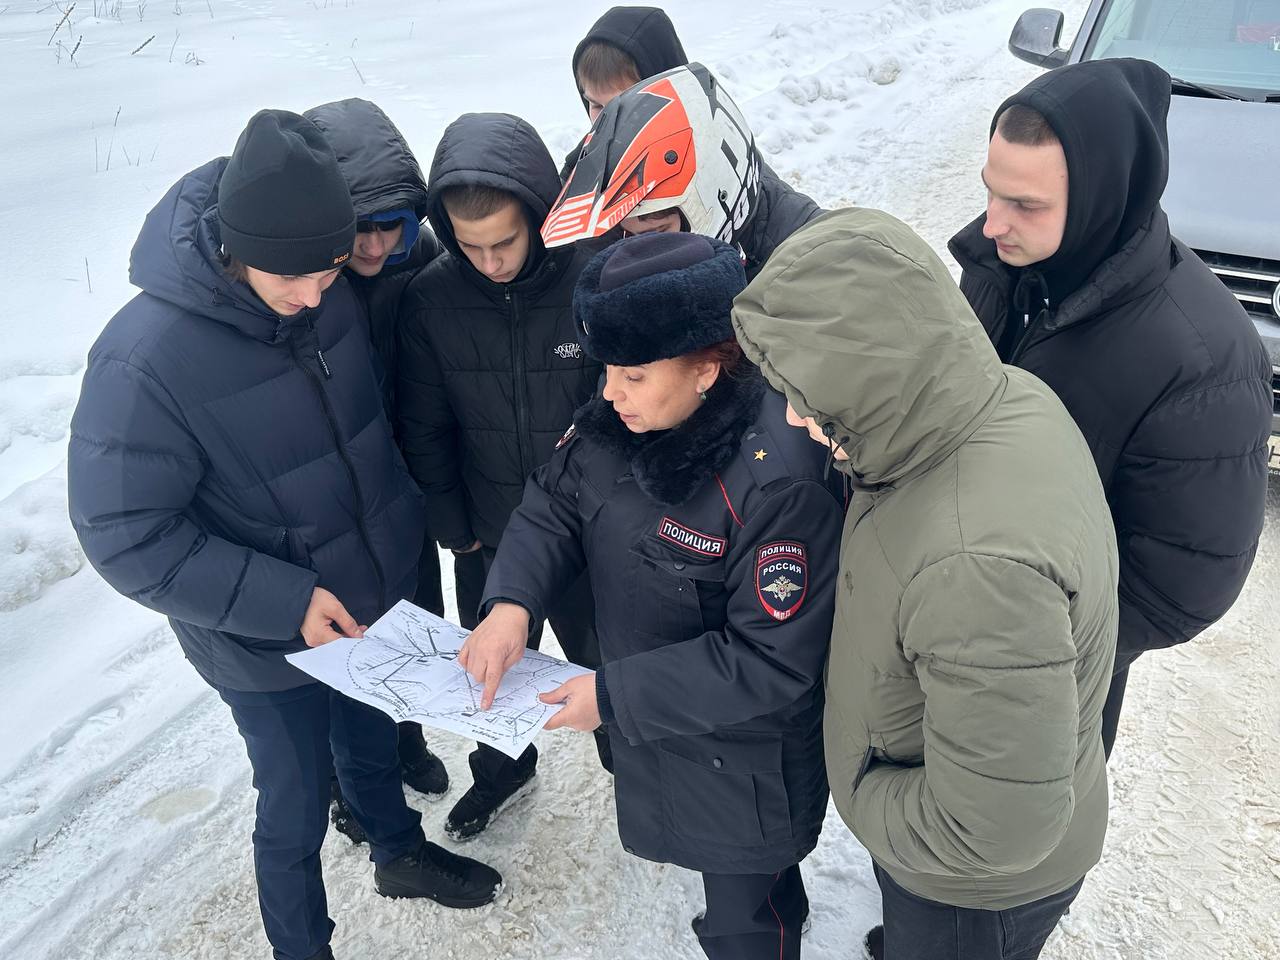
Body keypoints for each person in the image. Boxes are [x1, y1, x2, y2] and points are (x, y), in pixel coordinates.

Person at [67, 109, 501, 960]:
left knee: (372, 743)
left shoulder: (327, 296)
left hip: (363, 606)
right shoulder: (143, 361)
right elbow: (124, 535)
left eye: (328, 270)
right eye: (292, 276)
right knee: (295, 804)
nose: (313, 295)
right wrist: (285, 600)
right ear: (238, 246)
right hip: (263, 642)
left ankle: (398, 854)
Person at [732, 207, 1120, 960]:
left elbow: (993, 831)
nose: (795, 416)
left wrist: (863, 795)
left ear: (875, 379)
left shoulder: (974, 566)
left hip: (971, 893)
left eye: (812, 394)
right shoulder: (992, 401)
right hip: (965, 814)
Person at [461, 231, 841, 959]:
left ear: (708, 367)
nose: (609, 392)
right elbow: (553, 500)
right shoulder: (622, 419)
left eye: (632, 375)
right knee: (722, 876)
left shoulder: (777, 481)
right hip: (662, 723)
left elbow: (771, 659)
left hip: (743, 759)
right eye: (607, 369)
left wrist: (614, 698)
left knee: (749, 916)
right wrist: (512, 602)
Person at [948, 58, 1272, 758]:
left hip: (1046, 684)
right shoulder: (1002, 271)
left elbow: (1182, 583)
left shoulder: (1203, 361)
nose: (993, 223)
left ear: (1104, 194)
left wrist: (1018, 647)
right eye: (991, 192)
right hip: (938, 630)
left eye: (1026, 205)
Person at [396, 112, 605, 841]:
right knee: (488, 674)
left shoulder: (590, 277)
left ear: (539, 216)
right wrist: (456, 532)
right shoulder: (431, 300)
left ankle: (640, 771)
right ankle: (501, 771)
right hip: (489, 533)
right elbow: (426, 427)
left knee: (609, 665)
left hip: (590, 537)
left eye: (505, 242)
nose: (490, 262)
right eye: (470, 245)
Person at [304, 96, 450, 839]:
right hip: (332, 498)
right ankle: (346, 782)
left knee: (416, 620)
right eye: (356, 227)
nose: (372, 243)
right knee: (351, 641)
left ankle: (408, 739)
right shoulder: (306, 282)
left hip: (401, 482)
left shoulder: (419, 258)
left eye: (390, 223)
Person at [548, 62, 823, 280]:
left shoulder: (807, 255)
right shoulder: (609, 168)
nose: (641, 249)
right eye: (629, 235)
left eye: (657, 232)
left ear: (716, 195)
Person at [559, 5, 688, 178]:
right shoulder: (581, 164)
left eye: (620, 108)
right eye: (596, 105)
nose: (604, 120)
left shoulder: (702, 149)